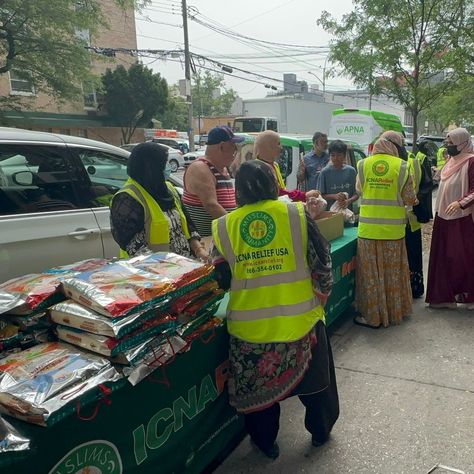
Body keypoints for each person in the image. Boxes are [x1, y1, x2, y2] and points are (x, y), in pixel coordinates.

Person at [212, 160, 339, 460]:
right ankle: (320, 433)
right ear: (272, 184)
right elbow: (322, 262)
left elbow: (220, 279)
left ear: (237, 191)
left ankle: (266, 443)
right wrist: (321, 298)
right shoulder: (295, 214)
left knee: (260, 400)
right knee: (317, 388)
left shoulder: (224, 226)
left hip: (250, 331)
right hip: (302, 323)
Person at [354, 131, 417, 328]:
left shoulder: (363, 164)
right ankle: (395, 312)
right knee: (393, 274)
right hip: (393, 233)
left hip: (367, 232)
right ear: (396, 145)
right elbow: (409, 199)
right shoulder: (403, 166)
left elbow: (360, 190)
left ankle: (373, 318)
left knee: (371, 276)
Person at [110, 142, 207, 260]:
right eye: (162, 163)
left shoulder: (169, 189)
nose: (167, 166)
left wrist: (198, 250)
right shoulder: (127, 200)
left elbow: (187, 225)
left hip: (183, 267)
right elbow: (135, 249)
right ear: (150, 167)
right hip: (152, 272)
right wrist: (175, 267)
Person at [426, 128, 474, 309]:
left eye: (451, 143)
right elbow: (443, 178)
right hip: (443, 216)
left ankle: (468, 296)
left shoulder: (471, 161)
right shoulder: (450, 161)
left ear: (462, 143)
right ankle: (444, 297)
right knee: (443, 256)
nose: (448, 146)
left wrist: (460, 203)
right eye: (447, 143)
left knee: (464, 257)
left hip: (462, 217)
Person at [183, 126, 244, 238]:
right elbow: (211, 205)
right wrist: (238, 229)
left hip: (221, 238)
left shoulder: (223, 168)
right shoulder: (201, 168)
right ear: (221, 146)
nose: (235, 152)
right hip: (206, 241)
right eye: (233, 147)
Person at [254, 130, 320, 202]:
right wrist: (304, 195)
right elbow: (278, 193)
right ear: (269, 147)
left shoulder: (274, 165)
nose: (281, 147)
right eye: (278, 144)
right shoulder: (259, 169)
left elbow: (282, 192)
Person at [405, 140, 433, 298]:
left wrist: (416, 200)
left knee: (413, 254)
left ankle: (414, 287)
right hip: (390, 222)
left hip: (411, 219)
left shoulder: (413, 161)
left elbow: (426, 184)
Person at [317, 140, 358, 210]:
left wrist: (348, 201)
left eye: (339, 155)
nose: (336, 158)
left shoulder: (351, 171)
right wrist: (334, 196)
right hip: (330, 215)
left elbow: (356, 194)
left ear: (344, 156)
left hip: (347, 214)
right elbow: (319, 195)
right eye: (333, 155)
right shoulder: (324, 173)